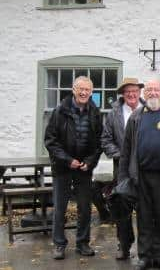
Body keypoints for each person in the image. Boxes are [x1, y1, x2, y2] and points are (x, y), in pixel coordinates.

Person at [119, 79, 160, 270]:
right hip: (140, 176)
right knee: (143, 217)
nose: (152, 93)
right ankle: (144, 256)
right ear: (144, 93)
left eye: (156, 89)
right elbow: (126, 151)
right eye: (149, 90)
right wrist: (124, 178)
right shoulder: (136, 117)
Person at [45, 76, 103, 260]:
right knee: (60, 207)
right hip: (62, 167)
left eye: (87, 90)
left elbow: (99, 143)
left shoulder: (95, 112)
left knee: (85, 207)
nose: (84, 92)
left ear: (91, 92)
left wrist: (90, 161)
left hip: (84, 168)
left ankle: (82, 243)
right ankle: (59, 244)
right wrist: (67, 160)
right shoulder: (59, 111)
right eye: (80, 89)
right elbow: (50, 141)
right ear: (73, 89)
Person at [101, 76, 144, 260]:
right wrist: (120, 155)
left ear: (139, 92)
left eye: (134, 91)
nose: (131, 95)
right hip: (122, 170)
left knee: (145, 211)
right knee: (121, 209)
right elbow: (105, 139)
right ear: (123, 94)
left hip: (145, 169)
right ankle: (124, 245)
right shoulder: (114, 114)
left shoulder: (149, 109)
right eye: (128, 92)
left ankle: (145, 248)